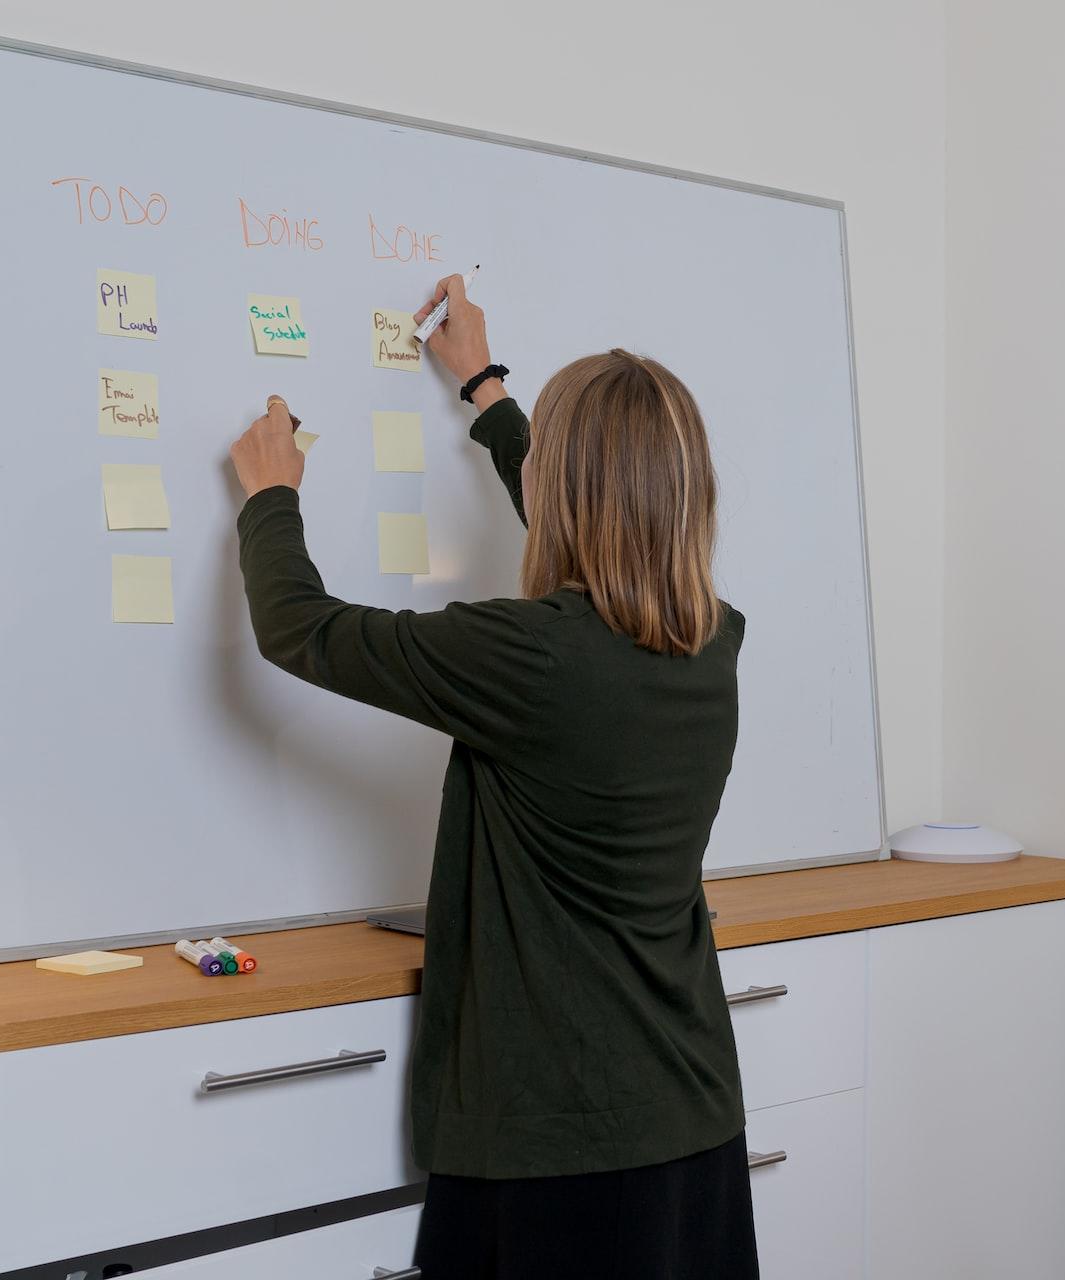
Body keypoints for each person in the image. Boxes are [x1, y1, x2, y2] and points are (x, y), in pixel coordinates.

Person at [228, 275, 758, 1278]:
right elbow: (593, 515)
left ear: (561, 485)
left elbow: (302, 629)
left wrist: (271, 498)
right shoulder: (708, 634)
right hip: (691, 1110)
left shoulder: (532, 656)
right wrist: (484, 386)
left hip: (561, 1143)